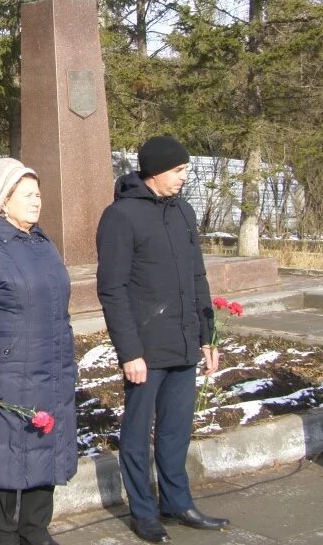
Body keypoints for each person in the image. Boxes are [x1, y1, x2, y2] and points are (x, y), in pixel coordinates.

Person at [95, 136, 228, 543]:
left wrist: (206, 336)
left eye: (185, 170)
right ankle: (144, 512)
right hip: (145, 349)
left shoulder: (184, 212)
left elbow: (197, 276)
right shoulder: (120, 217)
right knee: (137, 432)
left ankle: (177, 502)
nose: (185, 177)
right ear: (155, 171)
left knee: (176, 429)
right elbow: (112, 289)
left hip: (184, 341)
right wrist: (129, 351)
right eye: (179, 170)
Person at [0, 157, 77, 545]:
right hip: (6, 379)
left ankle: (35, 531)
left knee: (46, 453)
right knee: (3, 463)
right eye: (26, 194)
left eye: (37, 193)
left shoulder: (43, 244)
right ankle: (1, 536)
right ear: (2, 201)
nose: (36, 201)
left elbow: (61, 309)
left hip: (49, 372)